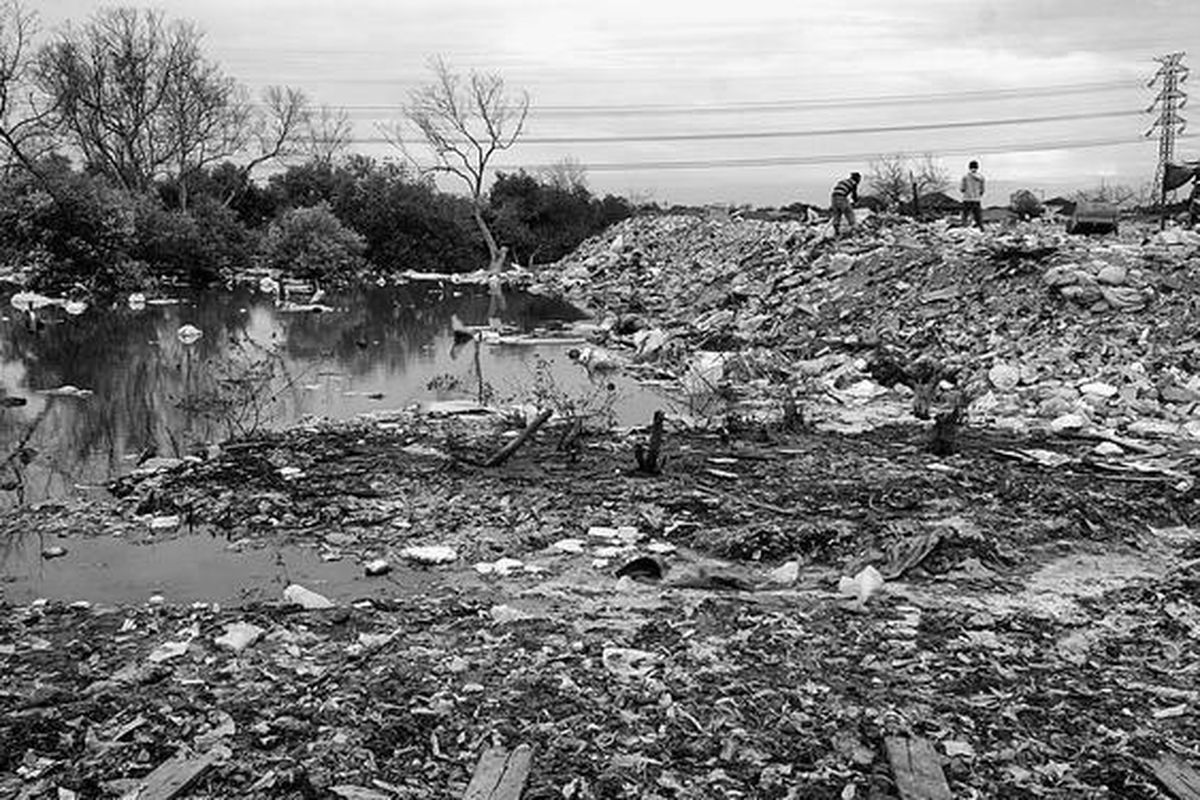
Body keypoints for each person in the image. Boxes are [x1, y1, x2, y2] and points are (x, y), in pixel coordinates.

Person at [830, 172, 860, 236]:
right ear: (857, 179)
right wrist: (856, 201)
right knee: (849, 212)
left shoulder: (843, 181)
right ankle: (854, 228)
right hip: (841, 197)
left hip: (833, 198)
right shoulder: (853, 183)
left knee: (837, 214)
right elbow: (854, 195)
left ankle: (836, 230)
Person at [960, 160, 985, 229]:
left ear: (969, 167)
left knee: (965, 216)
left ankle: (964, 228)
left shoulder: (965, 177)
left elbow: (962, 189)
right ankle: (981, 229)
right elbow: (982, 190)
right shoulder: (981, 178)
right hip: (976, 199)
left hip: (967, 199)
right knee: (978, 217)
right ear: (977, 167)